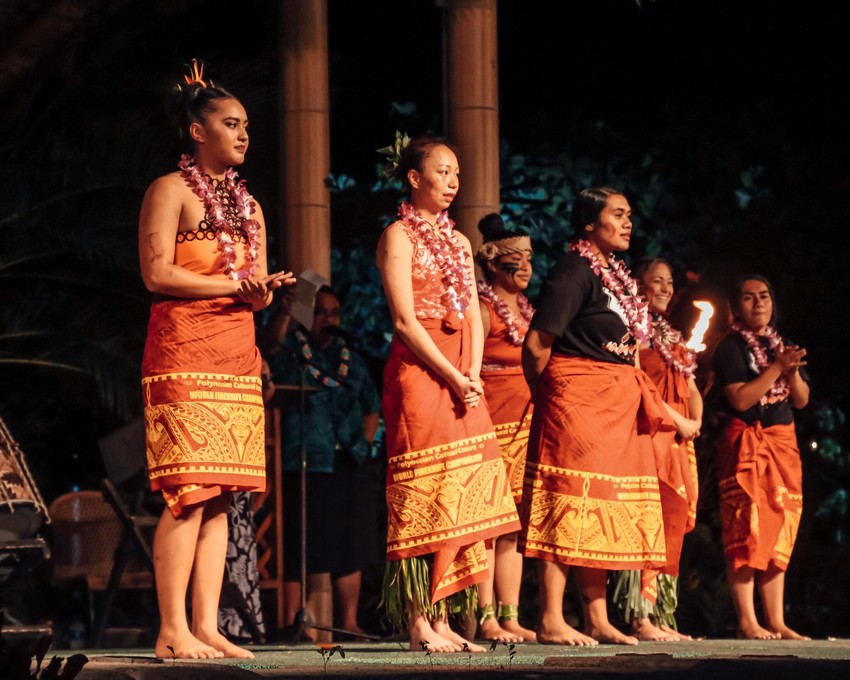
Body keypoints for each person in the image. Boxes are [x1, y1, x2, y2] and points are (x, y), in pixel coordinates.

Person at [138, 59, 294, 659]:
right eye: (231, 124)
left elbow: (248, 280)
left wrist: (258, 291)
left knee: (225, 493)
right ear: (198, 131)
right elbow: (157, 273)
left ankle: (206, 625)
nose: (244, 134)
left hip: (235, 353)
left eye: (247, 125)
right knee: (189, 490)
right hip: (182, 351)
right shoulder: (170, 191)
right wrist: (234, 289)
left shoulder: (250, 208)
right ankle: (170, 629)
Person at [520, 187, 689, 646]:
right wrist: (554, 399)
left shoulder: (614, 275)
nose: (629, 222)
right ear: (589, 224)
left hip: (615, 405)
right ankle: (551, 617)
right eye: (618, 214)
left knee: (601, 509)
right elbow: (536, 345)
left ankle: (597, 618)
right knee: (566, 503)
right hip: (577, 402)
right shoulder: (574, 271)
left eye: (630, 214)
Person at [376, 137, 520, 653]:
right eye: (443, 171)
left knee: (464, 490)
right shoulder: (397, 236)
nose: (454, 181)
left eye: (458, 172)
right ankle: (418, 621)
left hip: (464, 377)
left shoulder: (460, 244)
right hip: (420, 375)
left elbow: (476, 317)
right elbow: (403, 321)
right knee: (425, 491)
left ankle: (447, 618)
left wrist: (473, 371)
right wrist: (452, 375)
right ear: (415, 178)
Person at [268, 285, 381, 638]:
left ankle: (348, 622)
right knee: (297, 541)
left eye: (334, 313)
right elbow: (269, 351)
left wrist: (363, 443)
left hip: (347, 458)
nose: (328, 320)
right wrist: (285, 313)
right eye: (320, 312)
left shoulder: (353, 358)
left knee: (351, 542)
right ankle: (291, 623)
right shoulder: (291, 354)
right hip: (302, 460)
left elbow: (372, 405)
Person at [709, 275, 809, 640]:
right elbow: (742, 399)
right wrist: (777, 369)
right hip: (746, 446)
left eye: (764, 296)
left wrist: (792, 372)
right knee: (745, 526)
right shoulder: (730, 347)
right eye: (748, 298)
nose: (758, 303)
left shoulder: (781, 344)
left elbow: (801, 400)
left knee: (780, 525)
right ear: (736, 308)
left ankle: (777, 620)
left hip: (783, 443)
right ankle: (748, 620)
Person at [611, 258, 702, 641]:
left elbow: (691, 385)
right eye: (656, 281)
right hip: (649, 432)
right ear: (638, 285)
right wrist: (677, 421)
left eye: (669, 282)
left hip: (680, 438)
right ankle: (639, 615)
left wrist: (694, 421)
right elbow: (638, 384)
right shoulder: (634, 330)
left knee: (675, 520)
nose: (665, 288)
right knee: (647, 518)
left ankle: (662, 615)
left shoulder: (671, 334)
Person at [473, 213, 537, 643]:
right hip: (492, 421)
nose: (528, 266)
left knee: (515, 524)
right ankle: (485, 616)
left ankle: (511, 615)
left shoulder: (530, 311)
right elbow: (471, 364)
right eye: (518, 257)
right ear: (495, 263)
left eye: (531, 256)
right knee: (489, 523)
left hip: (528, 422)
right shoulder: (482, 307)